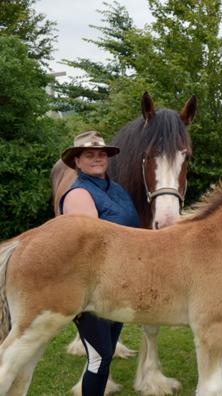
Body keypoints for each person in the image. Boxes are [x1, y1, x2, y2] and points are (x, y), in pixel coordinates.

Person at [59, 131, 140, 395]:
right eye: (89, 155)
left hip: (118, 287)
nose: (97, 159)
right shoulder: (78, 194)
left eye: (101, 154)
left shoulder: (116, 189)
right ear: (77, 162)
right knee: (99, 357)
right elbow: (92, 250)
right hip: (90, 291)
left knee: (107, 351)